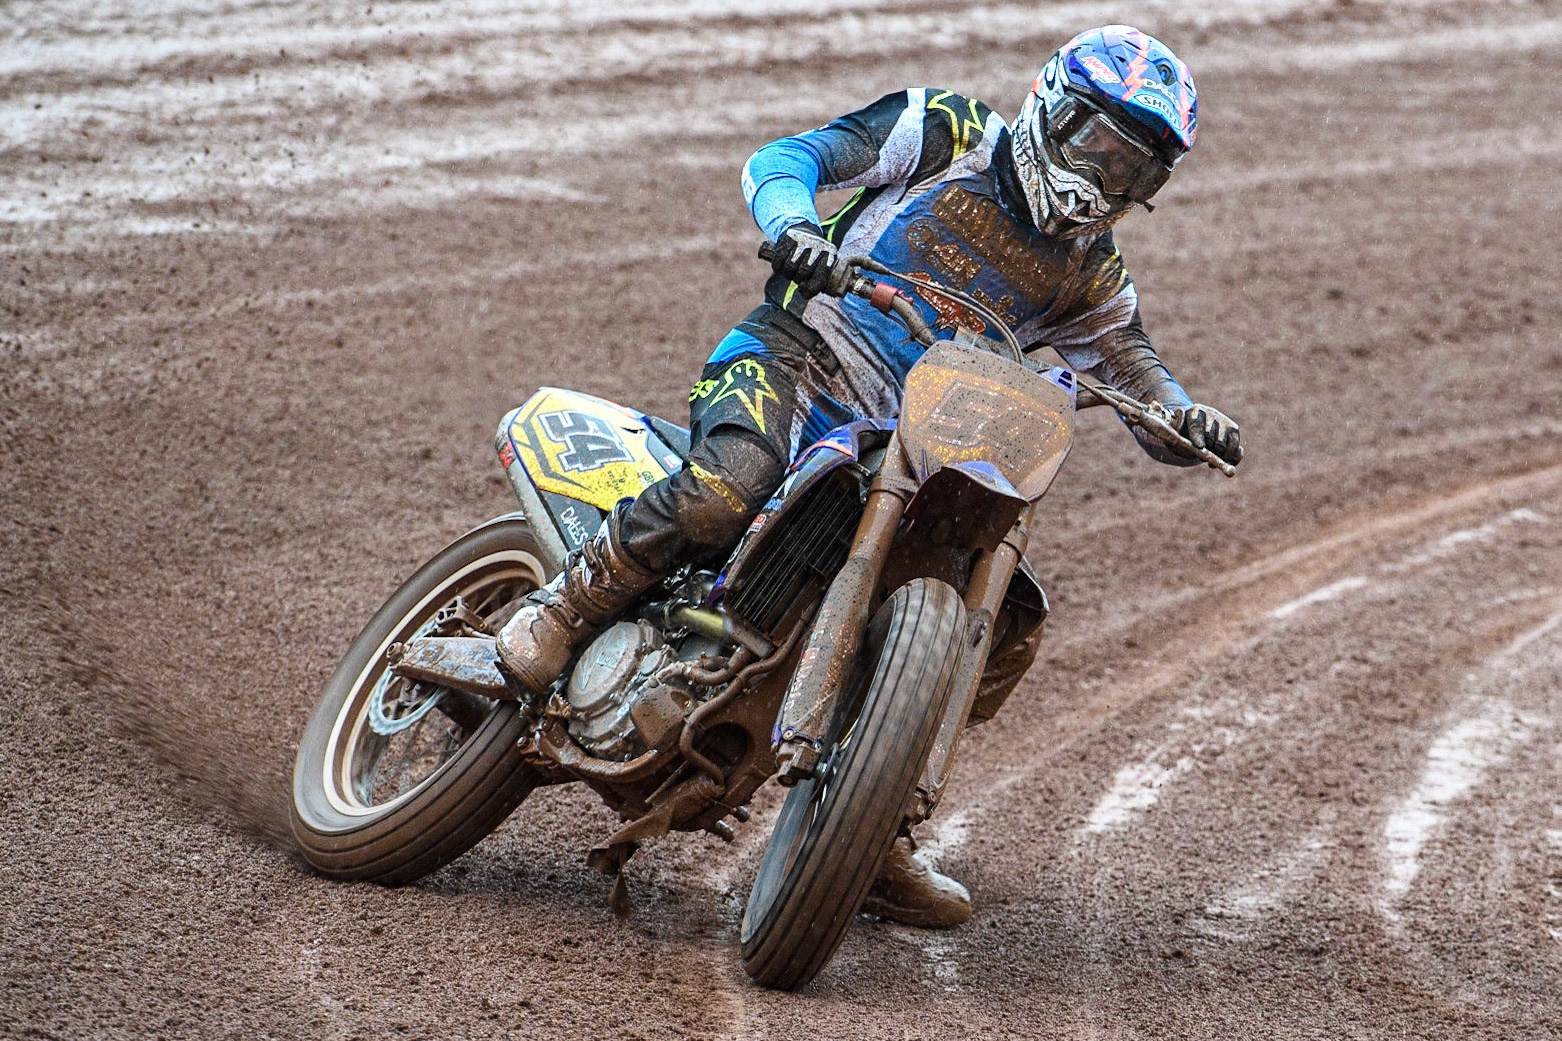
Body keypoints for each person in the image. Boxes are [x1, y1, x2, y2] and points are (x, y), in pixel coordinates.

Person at [498, 25, 1243, 928]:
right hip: (797, 357)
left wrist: (1183, 415)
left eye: (1135, 171)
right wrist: (795, 228)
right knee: (729, 482)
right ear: (1053, 107)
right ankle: (568, 605)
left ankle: (871, 811)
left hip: (913, 440)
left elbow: (1132, 366)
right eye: (1100, 148)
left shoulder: (1091, 268)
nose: (1107, 180)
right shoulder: (948, 131)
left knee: (1007, 624)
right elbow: (788, 160)